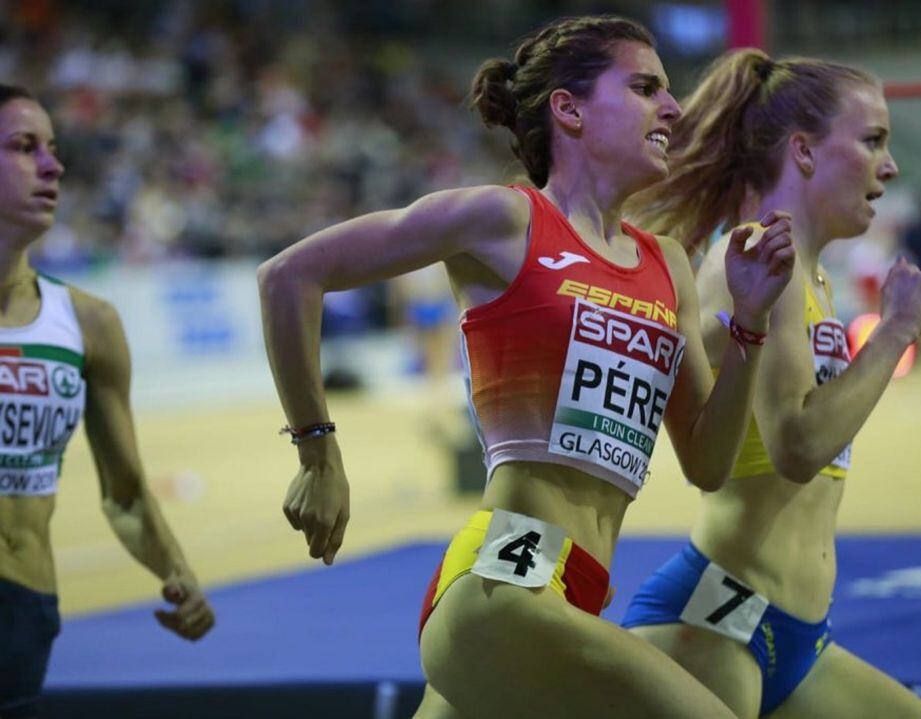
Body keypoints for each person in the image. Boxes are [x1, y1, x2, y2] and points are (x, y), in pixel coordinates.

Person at [257, 16, 795, 719]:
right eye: (644, 88)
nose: (673, 108)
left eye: (669, 92)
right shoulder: (503, 220)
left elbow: (708, 461)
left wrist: (750, 324)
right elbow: (289, 276)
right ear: (567, 108)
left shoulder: (668, 265)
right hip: (504, 583)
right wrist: (318, 451)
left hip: (578, 590)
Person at [620, 50, 921, 718]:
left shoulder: (807, 275)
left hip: (791, 633)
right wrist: (894, 331)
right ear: (802, 151)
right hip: (712, 623)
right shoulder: (761, 258)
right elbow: (796, 444)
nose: (891, 166)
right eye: (872, 140)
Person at [0, 85, 215, 718]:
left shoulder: (88, 323)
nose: (53, 166)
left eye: (54, 149)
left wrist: (177, 570)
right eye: (23, 147)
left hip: (28, 611)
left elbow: (124, 492)